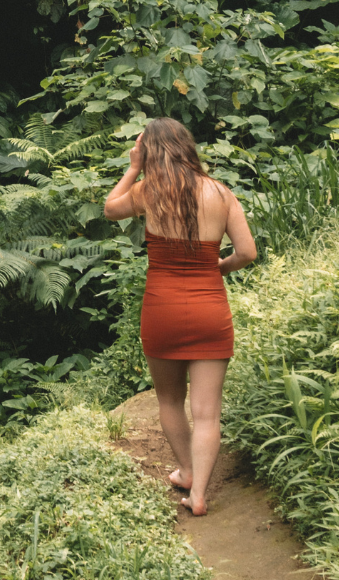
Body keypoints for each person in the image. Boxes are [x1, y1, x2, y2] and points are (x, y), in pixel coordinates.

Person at [103, 117, 257, 516]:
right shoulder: (221, 194)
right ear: (188, 147)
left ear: (151, 151)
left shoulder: (148, 192)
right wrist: (216, 269)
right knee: (208, 412)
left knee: (170, 400)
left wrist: (134, 166)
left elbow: (109, 210)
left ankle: (187, 472)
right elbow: (247, 252)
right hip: (210, 310)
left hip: (162, 309)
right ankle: (200, 495)